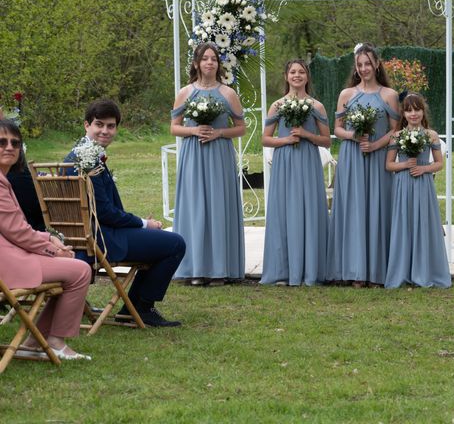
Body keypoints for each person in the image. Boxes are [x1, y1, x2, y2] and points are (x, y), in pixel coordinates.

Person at [65, 99, 185, 327]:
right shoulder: (87, 161)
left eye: (111, 126)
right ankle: (141, 308)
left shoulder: (79, 155)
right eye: (99, 124)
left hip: (86, 234)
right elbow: (105, 213)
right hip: (102, 238)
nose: (105, 131)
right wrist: (142, 224)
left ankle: (134, 308)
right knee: (175, 244)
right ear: (86, 125)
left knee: (164, 241)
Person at [0, 119, 92, 360]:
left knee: (72, 268)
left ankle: (34, 340)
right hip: (6, 265)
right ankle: (55, 341)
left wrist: (50, 240)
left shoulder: (4, 179)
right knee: (80, 270)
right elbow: (17, 232)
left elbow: (14, 228)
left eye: (15, 143)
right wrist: (52, 250)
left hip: (10, 255)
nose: (9, 147)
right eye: (2, 142)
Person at [170, 42, 246, 286]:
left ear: (218, 64)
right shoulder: (185, 92)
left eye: (214, 58)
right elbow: (174, 127)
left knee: (218, 206)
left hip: (219, 155)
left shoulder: (228, 93)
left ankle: (219, 269)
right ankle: (194, 268)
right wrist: (193, 131)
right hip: (194, 154)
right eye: (205, 58)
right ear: (196, 63)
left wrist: (219, 133)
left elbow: (241, 128)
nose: (210, 62)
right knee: (196, 208)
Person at [326, 43, 400, 287]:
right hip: (352, 157)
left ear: (377, 64)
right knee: (354, 209)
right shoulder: (346, 95)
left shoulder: (389, 95)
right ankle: (354, 270)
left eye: (368, 63)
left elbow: (396, 131)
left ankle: (378, 271)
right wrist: (352, 136)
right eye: (360, 65)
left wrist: (377, 145)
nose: (364, 68)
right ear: (355, 68)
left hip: (378, 159)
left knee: (378, 207)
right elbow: (336, 128)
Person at [260, 59, 331, 286]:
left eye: (301, 72)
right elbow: (265, 138)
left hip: (308, 162)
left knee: (308, 209)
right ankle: (283, 269)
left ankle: (310, 269)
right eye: (293, 72)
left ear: (307, 77)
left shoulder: (316, 106)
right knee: (284, 210)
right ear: (286, 76)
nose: (297, 76)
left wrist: (306, 135)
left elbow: (327, 140)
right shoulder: (278, 105)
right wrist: (286, 139)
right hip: (285, 162)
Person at [384, 93, 450, 289]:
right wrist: (404, 164)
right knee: (404, 224)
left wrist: (424, 168)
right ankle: (402, 271)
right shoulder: (397, 135)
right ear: (403, 113)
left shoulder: (431, 135)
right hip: (403, 184)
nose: (413, 114)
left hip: (423, 184)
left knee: (423, 224)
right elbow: (388, 165)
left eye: (417, 109)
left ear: (423, 111)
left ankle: (424, 271)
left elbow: (439, 164)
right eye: (409, 110)